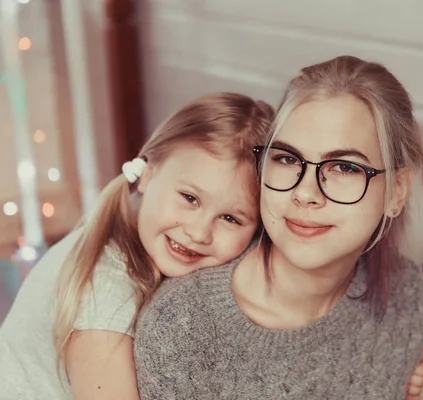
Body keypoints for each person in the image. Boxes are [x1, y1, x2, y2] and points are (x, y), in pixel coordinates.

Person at [134, 55, 423, 399]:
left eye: (345, 168)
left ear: (397, 190)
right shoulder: (183, 328)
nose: (305, 193)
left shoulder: (405, 295)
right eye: (287, 159)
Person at [0, 93, 273, 399]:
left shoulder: (133, 228)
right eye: (190, 198)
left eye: (230, 218)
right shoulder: (107, 291)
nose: (198, 232)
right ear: (148, 175)